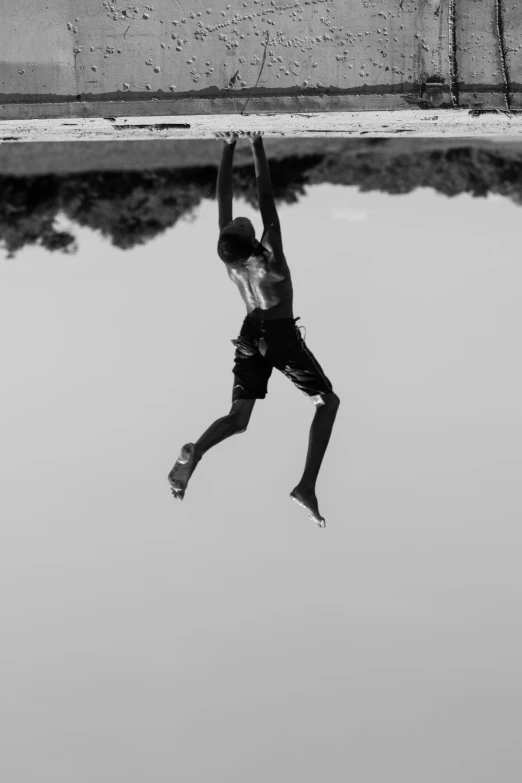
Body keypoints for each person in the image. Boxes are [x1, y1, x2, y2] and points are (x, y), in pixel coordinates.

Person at [168, 130, 340, 528]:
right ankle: (307, 485)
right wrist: (252, 145)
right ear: (250, 240)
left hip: (251, 337)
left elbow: (228, 203)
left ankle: (199, 454)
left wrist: (230, 146)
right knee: (326, 402)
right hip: (275, 336)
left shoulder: (233, 260)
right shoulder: (271, 256)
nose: (243, 221)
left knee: (239, 419)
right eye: (245, 226)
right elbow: (262, 199)